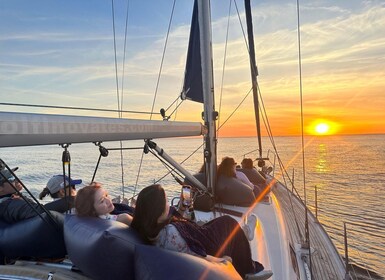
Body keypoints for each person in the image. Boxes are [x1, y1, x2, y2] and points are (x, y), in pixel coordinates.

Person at [131, 184, 273, 280]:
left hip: (197, 235)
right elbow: (197, 255)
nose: (168, 204)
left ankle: (243, 232)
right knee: (229, 223)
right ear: (158, 209)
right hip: (210, 247)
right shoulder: (171, 234)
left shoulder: (146, 228)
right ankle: (248, 271)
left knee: (219, 222)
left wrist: (181, 210)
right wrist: (222, 260)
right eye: (166, 201)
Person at [0, 167, 82, 224]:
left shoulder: (13, 197)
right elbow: (41, 212)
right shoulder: (9, 205)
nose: (17, 179)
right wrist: (76, 200)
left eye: (14, 176)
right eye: (11, 179)